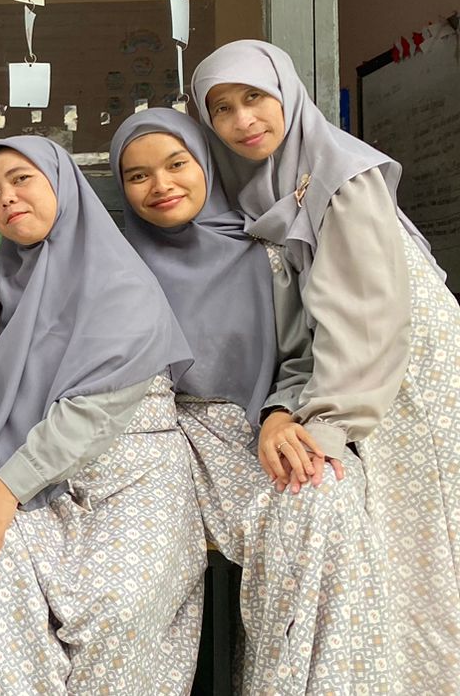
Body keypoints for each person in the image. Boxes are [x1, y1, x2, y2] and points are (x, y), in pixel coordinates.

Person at [193, 39, 460, 685]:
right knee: (394, 551)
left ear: (286, 92)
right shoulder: (270, 181)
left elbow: (365, 315)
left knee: (425, 543)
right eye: (221, 108)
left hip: (404, 376)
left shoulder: (340, 173)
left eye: (254, 97)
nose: (242, 120)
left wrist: (331, 423)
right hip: (364, 374)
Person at [110, 108, 388, 690]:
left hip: (255, 427)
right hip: (157, 445)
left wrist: (279, 414)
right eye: (138, 175)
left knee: (328, 495)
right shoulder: (116, 268)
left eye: (177, 164)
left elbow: (300, 355)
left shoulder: (263, 252)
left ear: (207, 165)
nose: (161, 185)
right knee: (299, 522)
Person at [0, 135, 204, 693]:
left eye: (22, 179)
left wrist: (6, 489)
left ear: (62, 185)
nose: (7, 197)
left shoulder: (121, 281)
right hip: (29, 466)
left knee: (117, 607)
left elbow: (95, 410)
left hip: (131, 466)